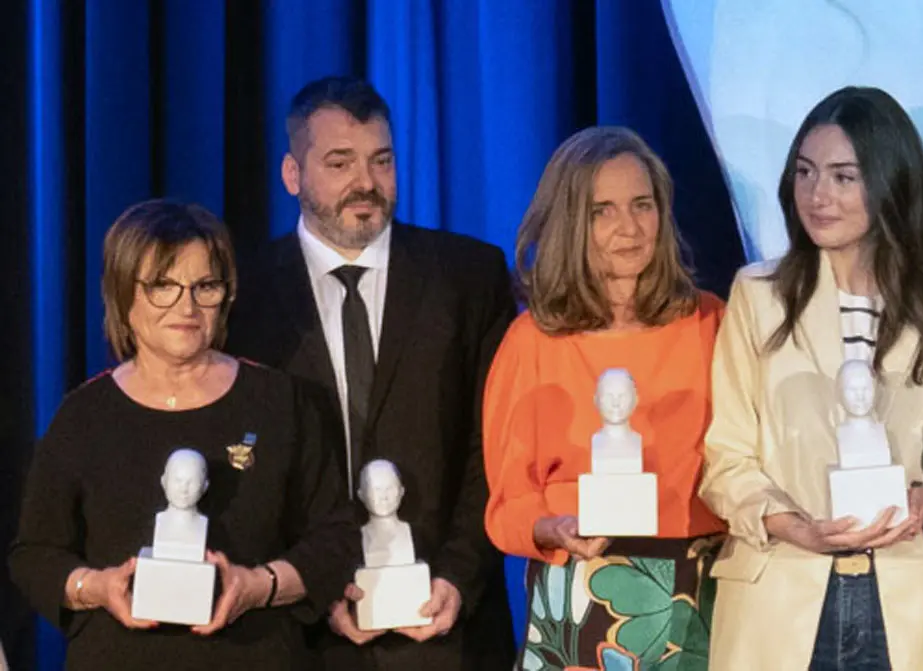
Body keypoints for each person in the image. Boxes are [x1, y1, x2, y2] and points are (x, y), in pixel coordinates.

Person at [225, 76, 517, 671]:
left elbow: (495, 447)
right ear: (292, 174)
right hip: (299, 636)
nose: (366, 182)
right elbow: (242, 468)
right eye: (340, 163)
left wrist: (458, 578)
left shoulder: (470, 277)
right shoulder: (240, 296)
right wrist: (310, 585)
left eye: (381, 161)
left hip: (448, 630)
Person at [700, 86, 923, 670]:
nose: (817, 195)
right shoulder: (758, 296)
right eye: (805, 173)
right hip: (782, 589)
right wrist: (794, 526)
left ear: (888, 183)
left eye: (842, 176)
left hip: (912, 593)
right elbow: (726, 459)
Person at [9, 200, 360, 670]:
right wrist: (96, 587)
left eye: (205, 286)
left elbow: (335, 539)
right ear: (122, 293)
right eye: (163, 287)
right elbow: (34, 554)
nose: (187, 306)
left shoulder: (279, 402)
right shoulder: (84, 415)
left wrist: (259, 586)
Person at [482, 126, 727, 669]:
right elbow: (508, 502)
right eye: (603, 211)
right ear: (571, 223)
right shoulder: (532, 341)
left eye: (642, 205)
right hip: (580, 590)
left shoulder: (710, 322)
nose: (629, 228)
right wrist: (552, 528)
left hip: (701, 588)